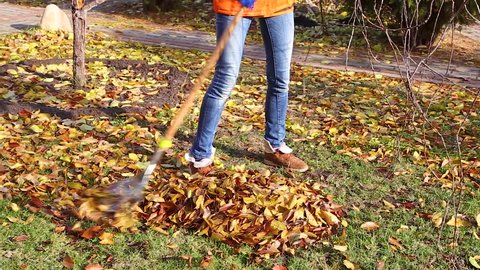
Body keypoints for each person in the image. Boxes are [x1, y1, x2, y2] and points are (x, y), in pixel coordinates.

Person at [185, 0, 309, 174]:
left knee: (280, 79)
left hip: (278, 5)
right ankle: (200, 156)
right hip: (233, 4)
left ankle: (274, 148)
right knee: (225, 79)